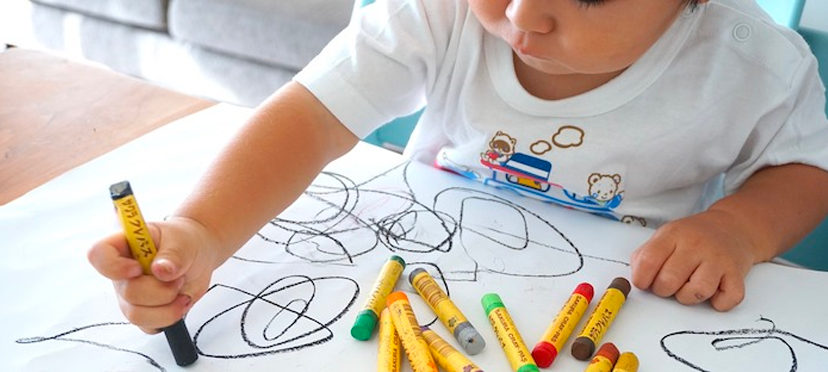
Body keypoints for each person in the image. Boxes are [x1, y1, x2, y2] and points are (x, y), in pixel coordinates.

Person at [88, 0, 828, 334]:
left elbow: (806, 170)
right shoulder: (434, 12)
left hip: (625, 310)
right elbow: (309, 117)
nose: (524, 16)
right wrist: (203, 231)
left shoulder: (751, 63)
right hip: (432, 286)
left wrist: (737, 227)